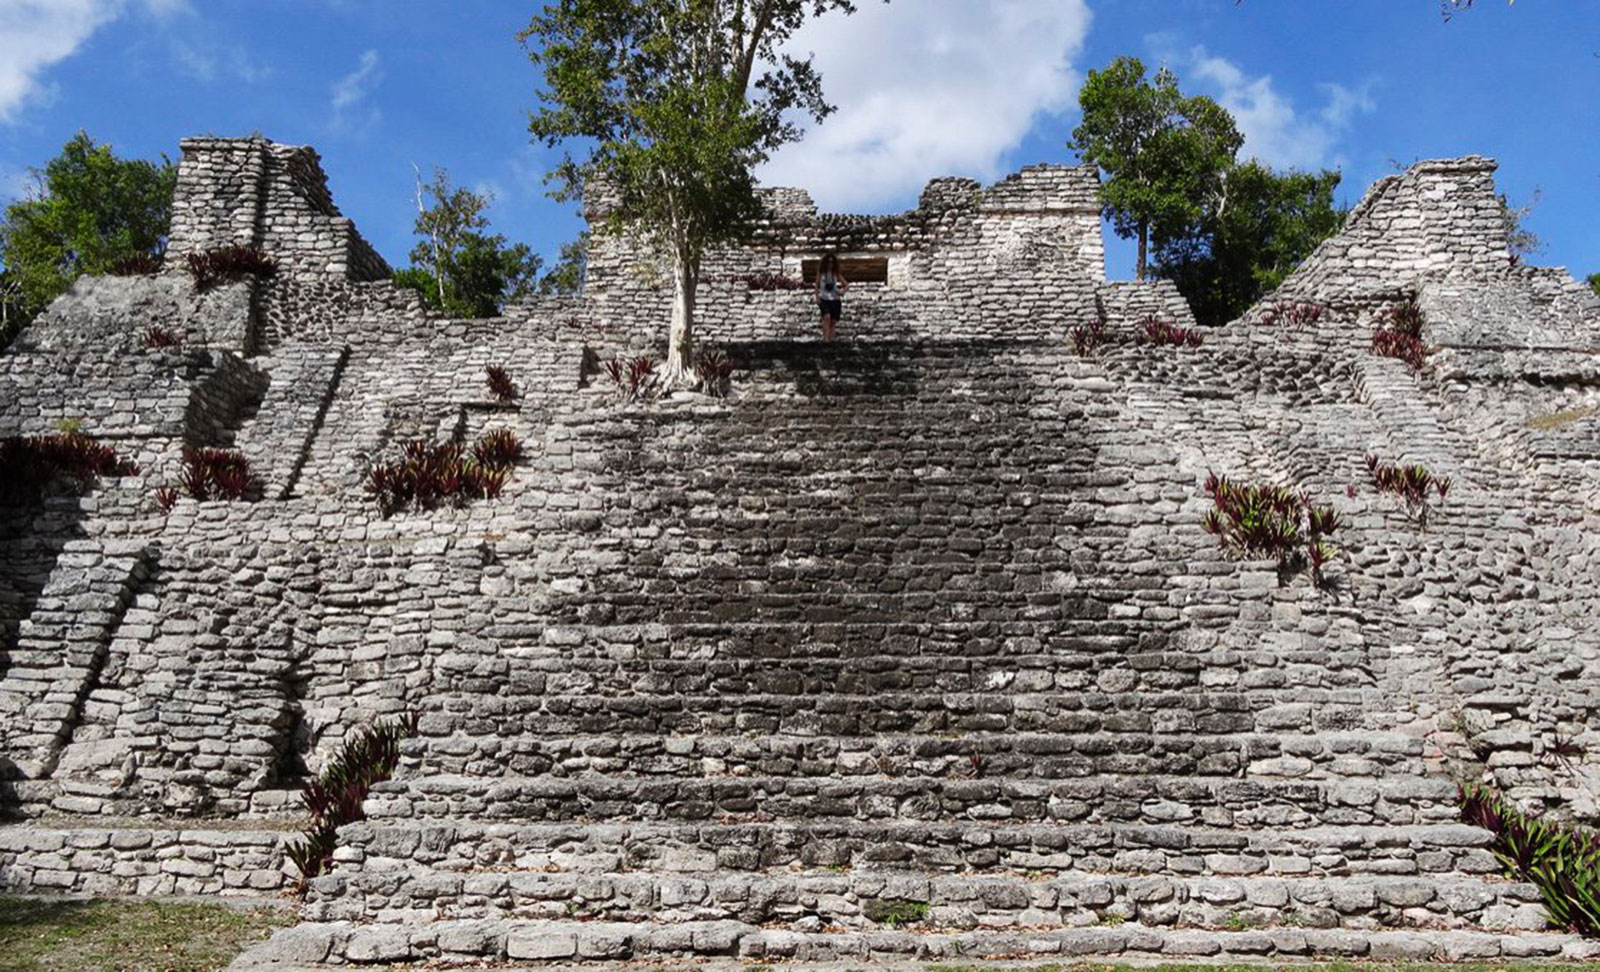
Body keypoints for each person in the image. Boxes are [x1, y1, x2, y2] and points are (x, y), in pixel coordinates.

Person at [816, 252, 846, 341]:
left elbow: (846, 284)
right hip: (824, 299)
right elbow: (816, 285)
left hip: (835, 299)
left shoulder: (836, 274)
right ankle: (826, 339)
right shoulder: (821, 273)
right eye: (828, 262)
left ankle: (831, 339)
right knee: (826, 317)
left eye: (832, 262)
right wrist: (817, 297)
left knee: (833, 321)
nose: (830, 264)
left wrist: (842, 291)